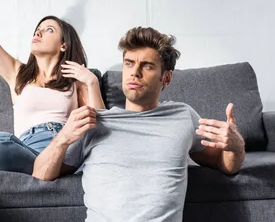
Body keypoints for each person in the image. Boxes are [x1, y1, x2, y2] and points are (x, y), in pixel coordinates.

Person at [32, 26, 245, 222]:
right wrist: (62, 138)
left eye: (148, 66)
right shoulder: (95, 121)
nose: (135, 72)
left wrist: (235, 146)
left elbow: (226, 165)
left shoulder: (182, 116)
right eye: (129, 63)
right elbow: (41, 173)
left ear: (166, 78)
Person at [0, 0, 105, 174]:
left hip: (67, 148)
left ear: (64, 45)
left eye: (49, 30)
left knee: (92, 142)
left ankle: (48, 169)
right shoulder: (17, 73)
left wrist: (91, 82)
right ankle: (46, 169)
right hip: (27, 148)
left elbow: (99, 129)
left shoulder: (75, 79)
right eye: (38, 30)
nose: (39, 33)